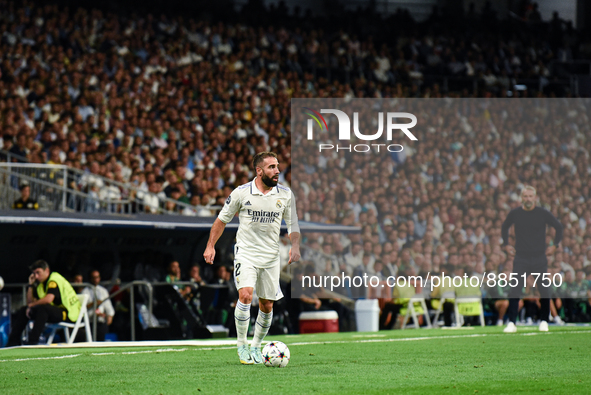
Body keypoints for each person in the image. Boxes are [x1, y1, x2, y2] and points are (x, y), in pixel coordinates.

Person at [203, 151, 300, 365]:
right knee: (246, 295)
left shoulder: (285, 195)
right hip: (246, 253)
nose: (277, 171)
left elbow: (293, 225)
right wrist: (211, 246)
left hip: (271, 257)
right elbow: (221, 221)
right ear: (259, 170)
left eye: (277, 166)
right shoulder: (241, 193)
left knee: (266, 305)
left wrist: (295, 245)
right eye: (272, 167)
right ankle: (241, 345)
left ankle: (256, 346)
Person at [501, 186, 563, 333]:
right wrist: (506, 245)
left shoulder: (542, 213)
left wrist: (555, 246)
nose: (528, 199)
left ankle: (544, 321)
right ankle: (511, 322)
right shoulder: (515, 213)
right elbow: (505, 227)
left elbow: (558, 227)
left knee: (544, 290)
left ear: (535, 198)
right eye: (525, 196)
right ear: (521, 198)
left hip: (539, 257)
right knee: (515, 289)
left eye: (530, 196)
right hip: (521, 257)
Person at [6, 260, 81, 346]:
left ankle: (32, 341)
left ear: (47, 271)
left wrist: (31, 305)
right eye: (34, 273)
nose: (36, 276)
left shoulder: (54, 279)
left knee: (43, 309)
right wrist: (30, 285)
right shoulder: (40, 285)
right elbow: (30, 302)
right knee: (24, 310)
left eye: (38, 272)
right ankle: (12, 342)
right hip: (52, 312)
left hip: (69, 313)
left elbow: (48, 299)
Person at [81, 270, 115, 341]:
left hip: (100, 321)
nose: (96, 279)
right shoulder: (85, 291)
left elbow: (108, 305)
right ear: (90, 278)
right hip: (90, 321)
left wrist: (110, 315)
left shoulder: (103, 291)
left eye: (97, 277)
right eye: (94, 277)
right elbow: (82, 307)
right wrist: (94, 303)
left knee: (101, 340)